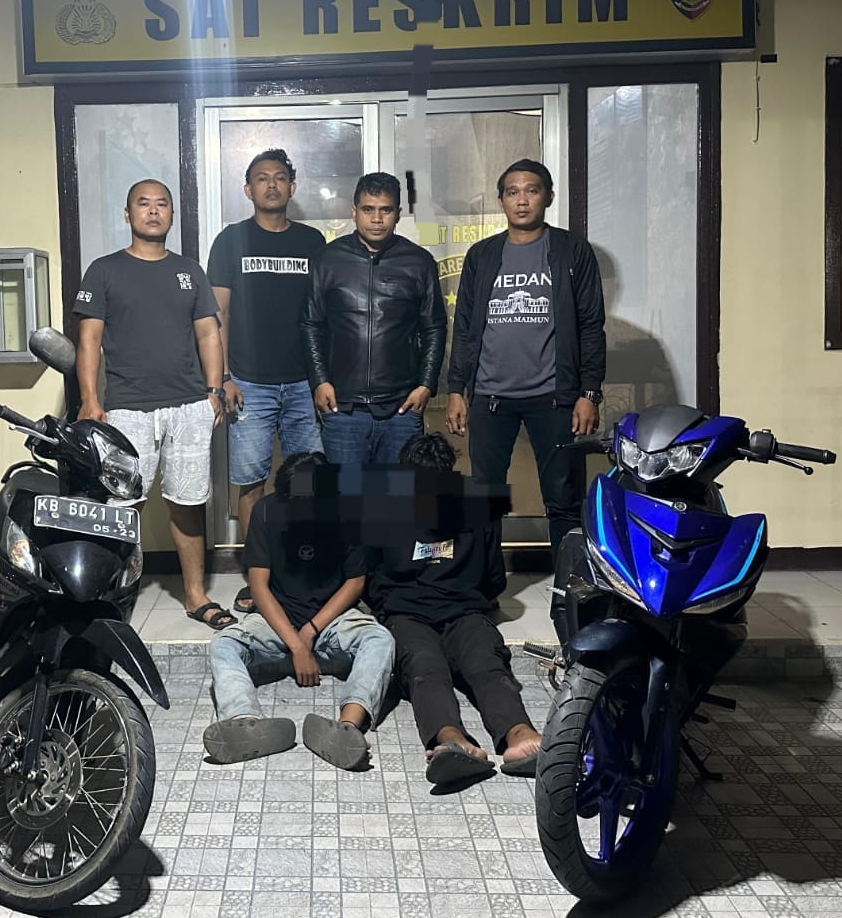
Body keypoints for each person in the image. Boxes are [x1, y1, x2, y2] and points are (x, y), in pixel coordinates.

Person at [74, 178, 233, 631]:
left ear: (171, 215)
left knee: (188, 503)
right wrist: (90, 400)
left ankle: (196, 596)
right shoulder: (104, 270)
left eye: (162, 204)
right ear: (128, 215)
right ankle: (104, 596)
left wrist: (214, 391)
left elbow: (209, 332)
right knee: (121, 506)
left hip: (188, 406)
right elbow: (89, 340)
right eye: (143, 204)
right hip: (126, 408)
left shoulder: (188, 271)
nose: (153, 211)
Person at [444, 158, 607, 557]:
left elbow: (591, 324)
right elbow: (464, 327)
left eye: (531, 191)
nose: (522, 201)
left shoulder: (571, 250)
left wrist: (589, 392)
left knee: (563, 498)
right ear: (501, 200)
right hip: (489, 397)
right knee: (485, 498)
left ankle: (570, 583)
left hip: (554, 397)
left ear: (548, 197)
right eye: (513, 192)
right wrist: (456, 389)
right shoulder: (482, 255)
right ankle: (485, 582)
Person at [204, 451, 396, 769]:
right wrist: (296, 644)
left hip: (331, 621)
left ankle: (347, 728)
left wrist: (310, 631)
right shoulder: (267, 511)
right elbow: (259, 586)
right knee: (224, 644)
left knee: (380, 639)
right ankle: (245, 722)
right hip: (278, 622)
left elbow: (355, 582)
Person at [371, 433, 541, 787]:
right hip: (411, 614)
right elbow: (494, 579)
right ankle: (452, 738)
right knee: (426, 667)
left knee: (485, 664)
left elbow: (492, 577)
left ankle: (518, 732)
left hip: (460, 611)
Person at [206, 148, 326, 613]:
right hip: (249, 383)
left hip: (302, 383)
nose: (271, 185)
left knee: (307, 482)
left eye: (279, 178)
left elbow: (324, 315)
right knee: (251, 483)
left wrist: (321, 379)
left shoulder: (313, 241)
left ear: (292, 187)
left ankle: (302, 572)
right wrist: (224, 377)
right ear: (248, 189)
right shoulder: (231, 240)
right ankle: (258, 577)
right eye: (262, 178)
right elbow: (218, 313)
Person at [302, 171, 447, 465]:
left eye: (386, 210)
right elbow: (311, 324)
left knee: (398, 493)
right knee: (348, 493)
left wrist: (426, 385)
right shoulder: (327, 259)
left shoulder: (419, 262)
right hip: (343, 408)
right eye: (368, 209)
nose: (377, 219)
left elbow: (433, 327)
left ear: (398, 214)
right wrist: (319, 381)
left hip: (402, 409)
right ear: (354, 211)